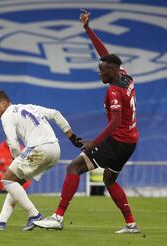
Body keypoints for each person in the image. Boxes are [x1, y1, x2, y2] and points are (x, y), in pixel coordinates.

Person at [34, 10, 140, 234]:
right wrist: (88, 29)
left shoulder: (113, 90)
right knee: (109, 179)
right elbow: (105, 55)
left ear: (111, 72)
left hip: (118, 140)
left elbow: (116, 121)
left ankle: (57, 217)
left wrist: (95, 142)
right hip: (131, 141)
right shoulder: (125, 76)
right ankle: (131, 224)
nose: (99, 73)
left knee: (75, 167)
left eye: (101, 71)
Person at [0, 90, 82, 231]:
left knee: (7, 180)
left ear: (3, 103)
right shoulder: (29, 107)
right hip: (55, 149)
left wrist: (16, 159)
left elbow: (13, 143)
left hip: (38, 148)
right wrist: (71, 137)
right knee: (14, 184)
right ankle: (0, 222)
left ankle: (35, 215)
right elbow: (55, 114)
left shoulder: (7, 115)